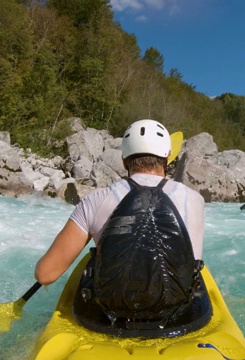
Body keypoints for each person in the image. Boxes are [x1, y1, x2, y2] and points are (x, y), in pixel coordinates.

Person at [35, 119, 206, 332]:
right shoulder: (195, 200)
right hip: (178, 313)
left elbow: (45, 275)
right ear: (167, 158)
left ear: (124, 161)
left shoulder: (95, 200)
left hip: (111, 316)